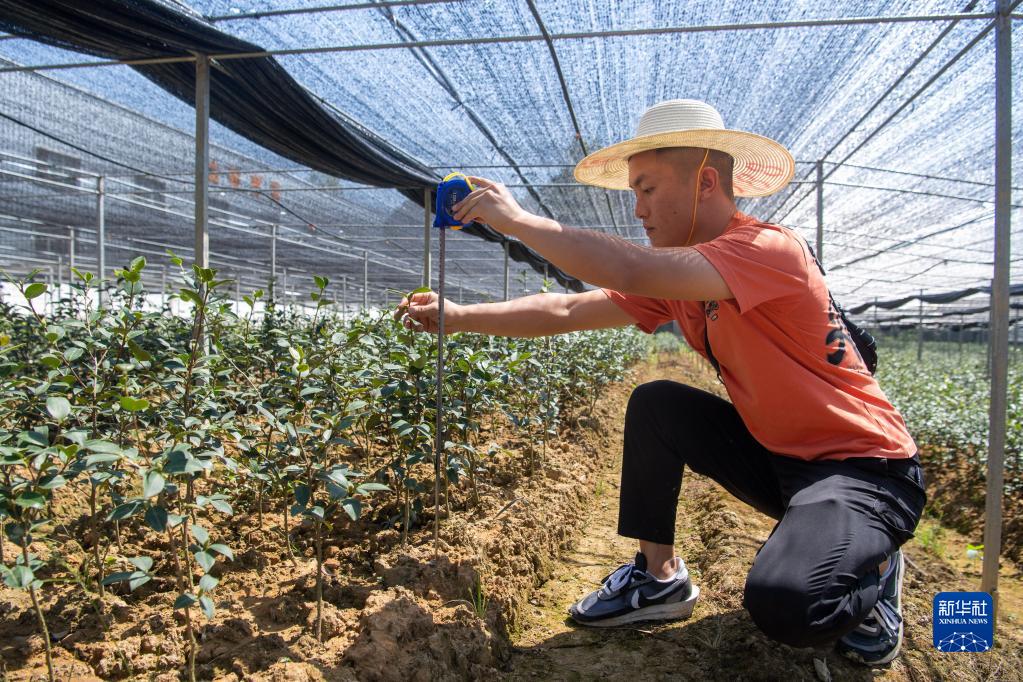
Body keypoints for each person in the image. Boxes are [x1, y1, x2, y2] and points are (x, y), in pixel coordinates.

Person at [396, 99, 925, 666]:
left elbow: (628, 267)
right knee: (658, 403)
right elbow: (567, 310)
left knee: (787, 604)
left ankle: (875, 570)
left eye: (647, 189)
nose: (639, 209)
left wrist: (518, 221)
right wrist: (459, 316)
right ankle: (659, 577)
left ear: (705, 183)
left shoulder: (768, 250)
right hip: (782, 460)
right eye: (634, 193)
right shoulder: (683, 279)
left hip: (863, 469)